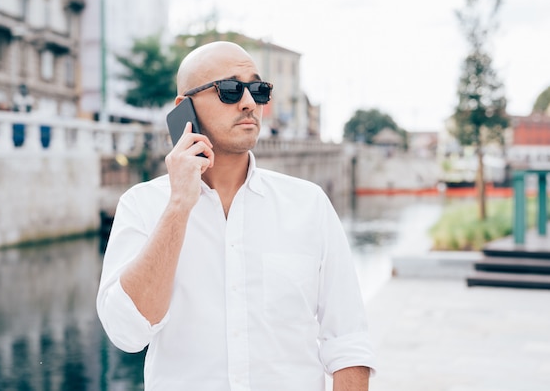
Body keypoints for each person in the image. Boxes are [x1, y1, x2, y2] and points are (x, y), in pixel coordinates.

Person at [96, 41, 376, 391]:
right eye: (229, 90)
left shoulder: (309, 205)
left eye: (258, 90)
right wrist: (180, 204)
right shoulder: (142, 205)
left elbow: (348, 341)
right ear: (184, 109)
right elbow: (127, 331)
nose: (248, 102)